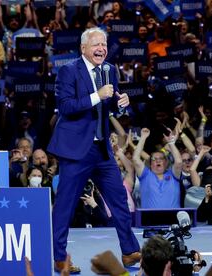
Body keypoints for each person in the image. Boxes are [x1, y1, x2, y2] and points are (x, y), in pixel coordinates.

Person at [47, 27, 140, 273]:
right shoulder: (68, 71)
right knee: (65, 206)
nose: (101, 49)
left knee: (119, 201)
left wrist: (120, 103)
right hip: (76, 151)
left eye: (104, 45)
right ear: (83, 48)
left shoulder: (110, 70)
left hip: (102, 150)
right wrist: (97, 96)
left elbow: (108, 106)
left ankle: (130, 252)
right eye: (96, 44)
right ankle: (59, 258)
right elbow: (65, 107)